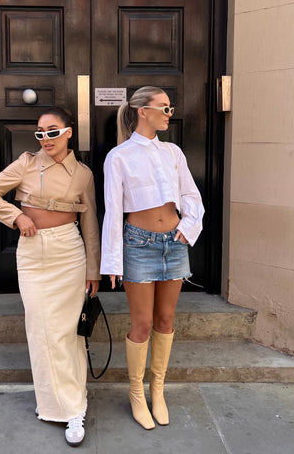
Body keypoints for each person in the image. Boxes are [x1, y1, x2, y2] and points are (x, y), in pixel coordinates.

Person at [0, 107, 101, 446]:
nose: (46, 138)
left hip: (68, 252)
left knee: (66, 331)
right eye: (40, 133)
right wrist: (16, 217)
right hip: (32, 253)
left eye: (53, 131)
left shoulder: (84, 174)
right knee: (40, 329)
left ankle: (74, 407)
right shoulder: (27, 163)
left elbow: (90, 224)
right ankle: (51, 403)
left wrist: (94, 270)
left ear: (69, 132)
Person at [100, 86, 204, 430]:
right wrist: (112, 262)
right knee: (142, 324)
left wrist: (188, 228)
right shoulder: (119, 157)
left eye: (170, 107)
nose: (169, 113)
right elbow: (113, 211)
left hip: (173, 245)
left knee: (165, 320)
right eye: (163, 107)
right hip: (138, 245)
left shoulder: (173, 152)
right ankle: (135, 391)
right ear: (142, 110)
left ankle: (157, 389)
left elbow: (190, 194)